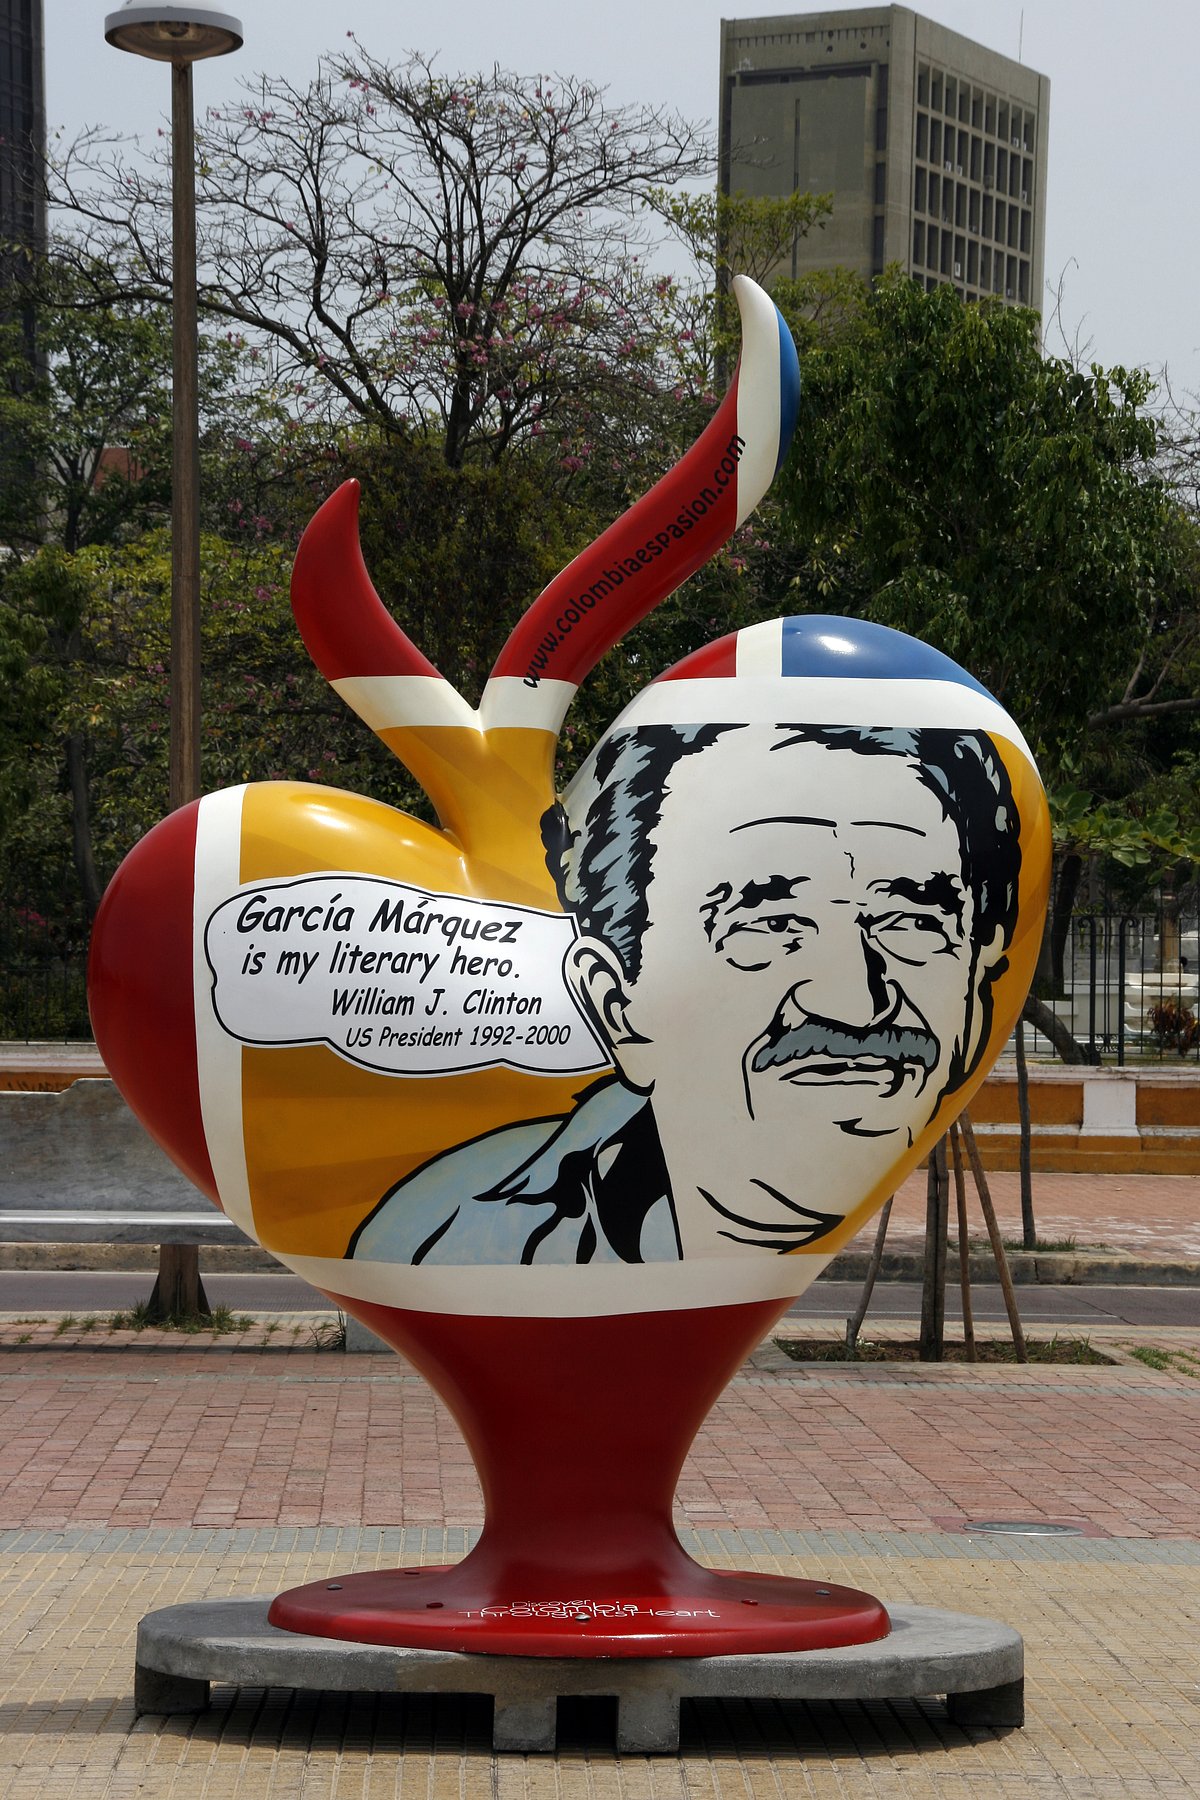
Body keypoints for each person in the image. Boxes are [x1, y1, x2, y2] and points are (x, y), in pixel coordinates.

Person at [348, 721, 1022, 1267]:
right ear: (618, 1008)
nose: (856, 1000)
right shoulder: (440, 1230)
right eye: (771, 924)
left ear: (976, 992)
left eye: (912, 922)